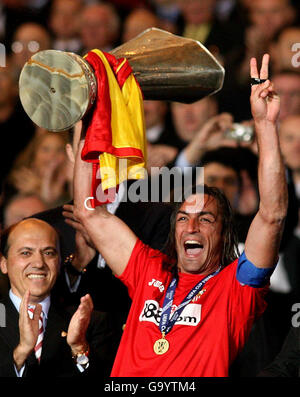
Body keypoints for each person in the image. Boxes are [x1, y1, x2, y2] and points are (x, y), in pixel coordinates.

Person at [64, 54, 288, 376]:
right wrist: (89, 115)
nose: (191, 226)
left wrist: (265, 126)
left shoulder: (236, 288)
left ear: (225, 234)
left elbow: (272, 215)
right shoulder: (148, 268)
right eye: (183, 217)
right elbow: (91, 212)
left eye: (206, 219)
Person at [0, 218, 114, 377]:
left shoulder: (90, 322)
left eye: (48, 253)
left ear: (59, 261)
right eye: (26, 253)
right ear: (4, 263)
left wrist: (79, 347)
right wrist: (22, 351)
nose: (39, 263)